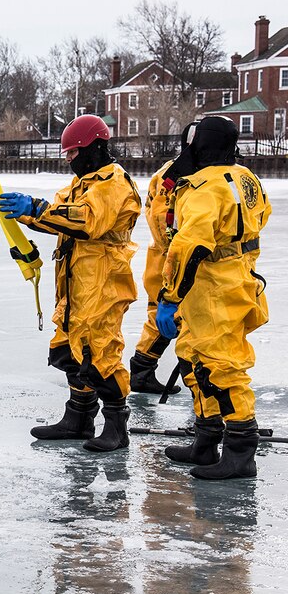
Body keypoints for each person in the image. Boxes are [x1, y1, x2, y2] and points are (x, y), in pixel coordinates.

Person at [0, 114, 142, 452]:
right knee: (68, 350)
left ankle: (117, 425)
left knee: (99, 353)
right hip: (75, 284)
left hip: (103, 281)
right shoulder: (82, 183)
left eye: (73, 152)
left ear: (93, 147)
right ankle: (79, 417)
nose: (69, 159)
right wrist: (16, 211)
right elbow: (57, 215)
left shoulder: (112, 183)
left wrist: (36, 208)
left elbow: (86, 221)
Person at [155, 116, 271, 480]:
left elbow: (188, 246)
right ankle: (206, 441)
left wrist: (169, 296)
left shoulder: (203, 188)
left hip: (212, 288)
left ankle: (240, 453)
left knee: (223, 367)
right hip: (235, 279)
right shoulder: (247, 178)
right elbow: (262, 216)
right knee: (195, 360)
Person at [128, 123, 198, 394]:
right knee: (170, 317)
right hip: (168, 259)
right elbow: (160, 218)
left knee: (164, 317)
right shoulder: (174, 174)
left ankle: (143, 370)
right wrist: (178, 252)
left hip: (168, 256)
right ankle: (147, 372)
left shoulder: (181, 171)